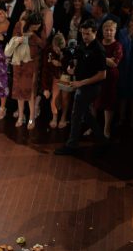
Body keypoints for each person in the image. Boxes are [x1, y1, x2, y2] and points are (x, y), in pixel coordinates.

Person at [54, 19, 108, 156]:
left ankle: (72, 145)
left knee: (76, 115)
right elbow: (76, 59)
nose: (85, 36)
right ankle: (102, 140)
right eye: (83, 33)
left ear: (95, 33)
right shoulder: (83, 45)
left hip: (90, 87)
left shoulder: (99, 50)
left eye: (88, 34)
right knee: (84, 114)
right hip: (81, 84)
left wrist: (81, 82)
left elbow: (102, 75)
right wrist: (71, 68)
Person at [10, 12, 47, 130]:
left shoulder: (40, 29)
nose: (37, 26)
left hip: (32, 63)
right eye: (35, 25)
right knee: (19, 91)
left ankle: (32, 117)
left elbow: (43, 44)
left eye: (39, 25)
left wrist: (33, 35)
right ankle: (21, 116)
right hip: (19, 62)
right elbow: (13, 40)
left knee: (31, 92)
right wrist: (22, 37)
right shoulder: (18, 25)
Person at [95, 20, 123, 138]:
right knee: (95, 102)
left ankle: (106, 128)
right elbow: (92, 59)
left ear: (115, 31)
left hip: (110, 78)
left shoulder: (117, 45)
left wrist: (100, 57)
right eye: (107, 30)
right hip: (96, 77)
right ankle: (94, 127)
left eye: (111, 30)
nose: (109, 32)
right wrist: (107, 59)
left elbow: (114, 63)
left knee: (108, 103)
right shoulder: (97, 43)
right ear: (103, 31)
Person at [41, 33, 70, 129]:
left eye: (60, 49)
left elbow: (71, 67)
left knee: (65, 98)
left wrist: (61, 63)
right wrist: (45, 88)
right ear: (53, 45)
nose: (57, 51)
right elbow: (45, 69)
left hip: (65, 76)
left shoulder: (68, 51)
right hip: (55, 77)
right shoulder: (48, 51)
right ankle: (55, 117)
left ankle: (63, 117)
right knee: (54, 98)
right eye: (56, 48)